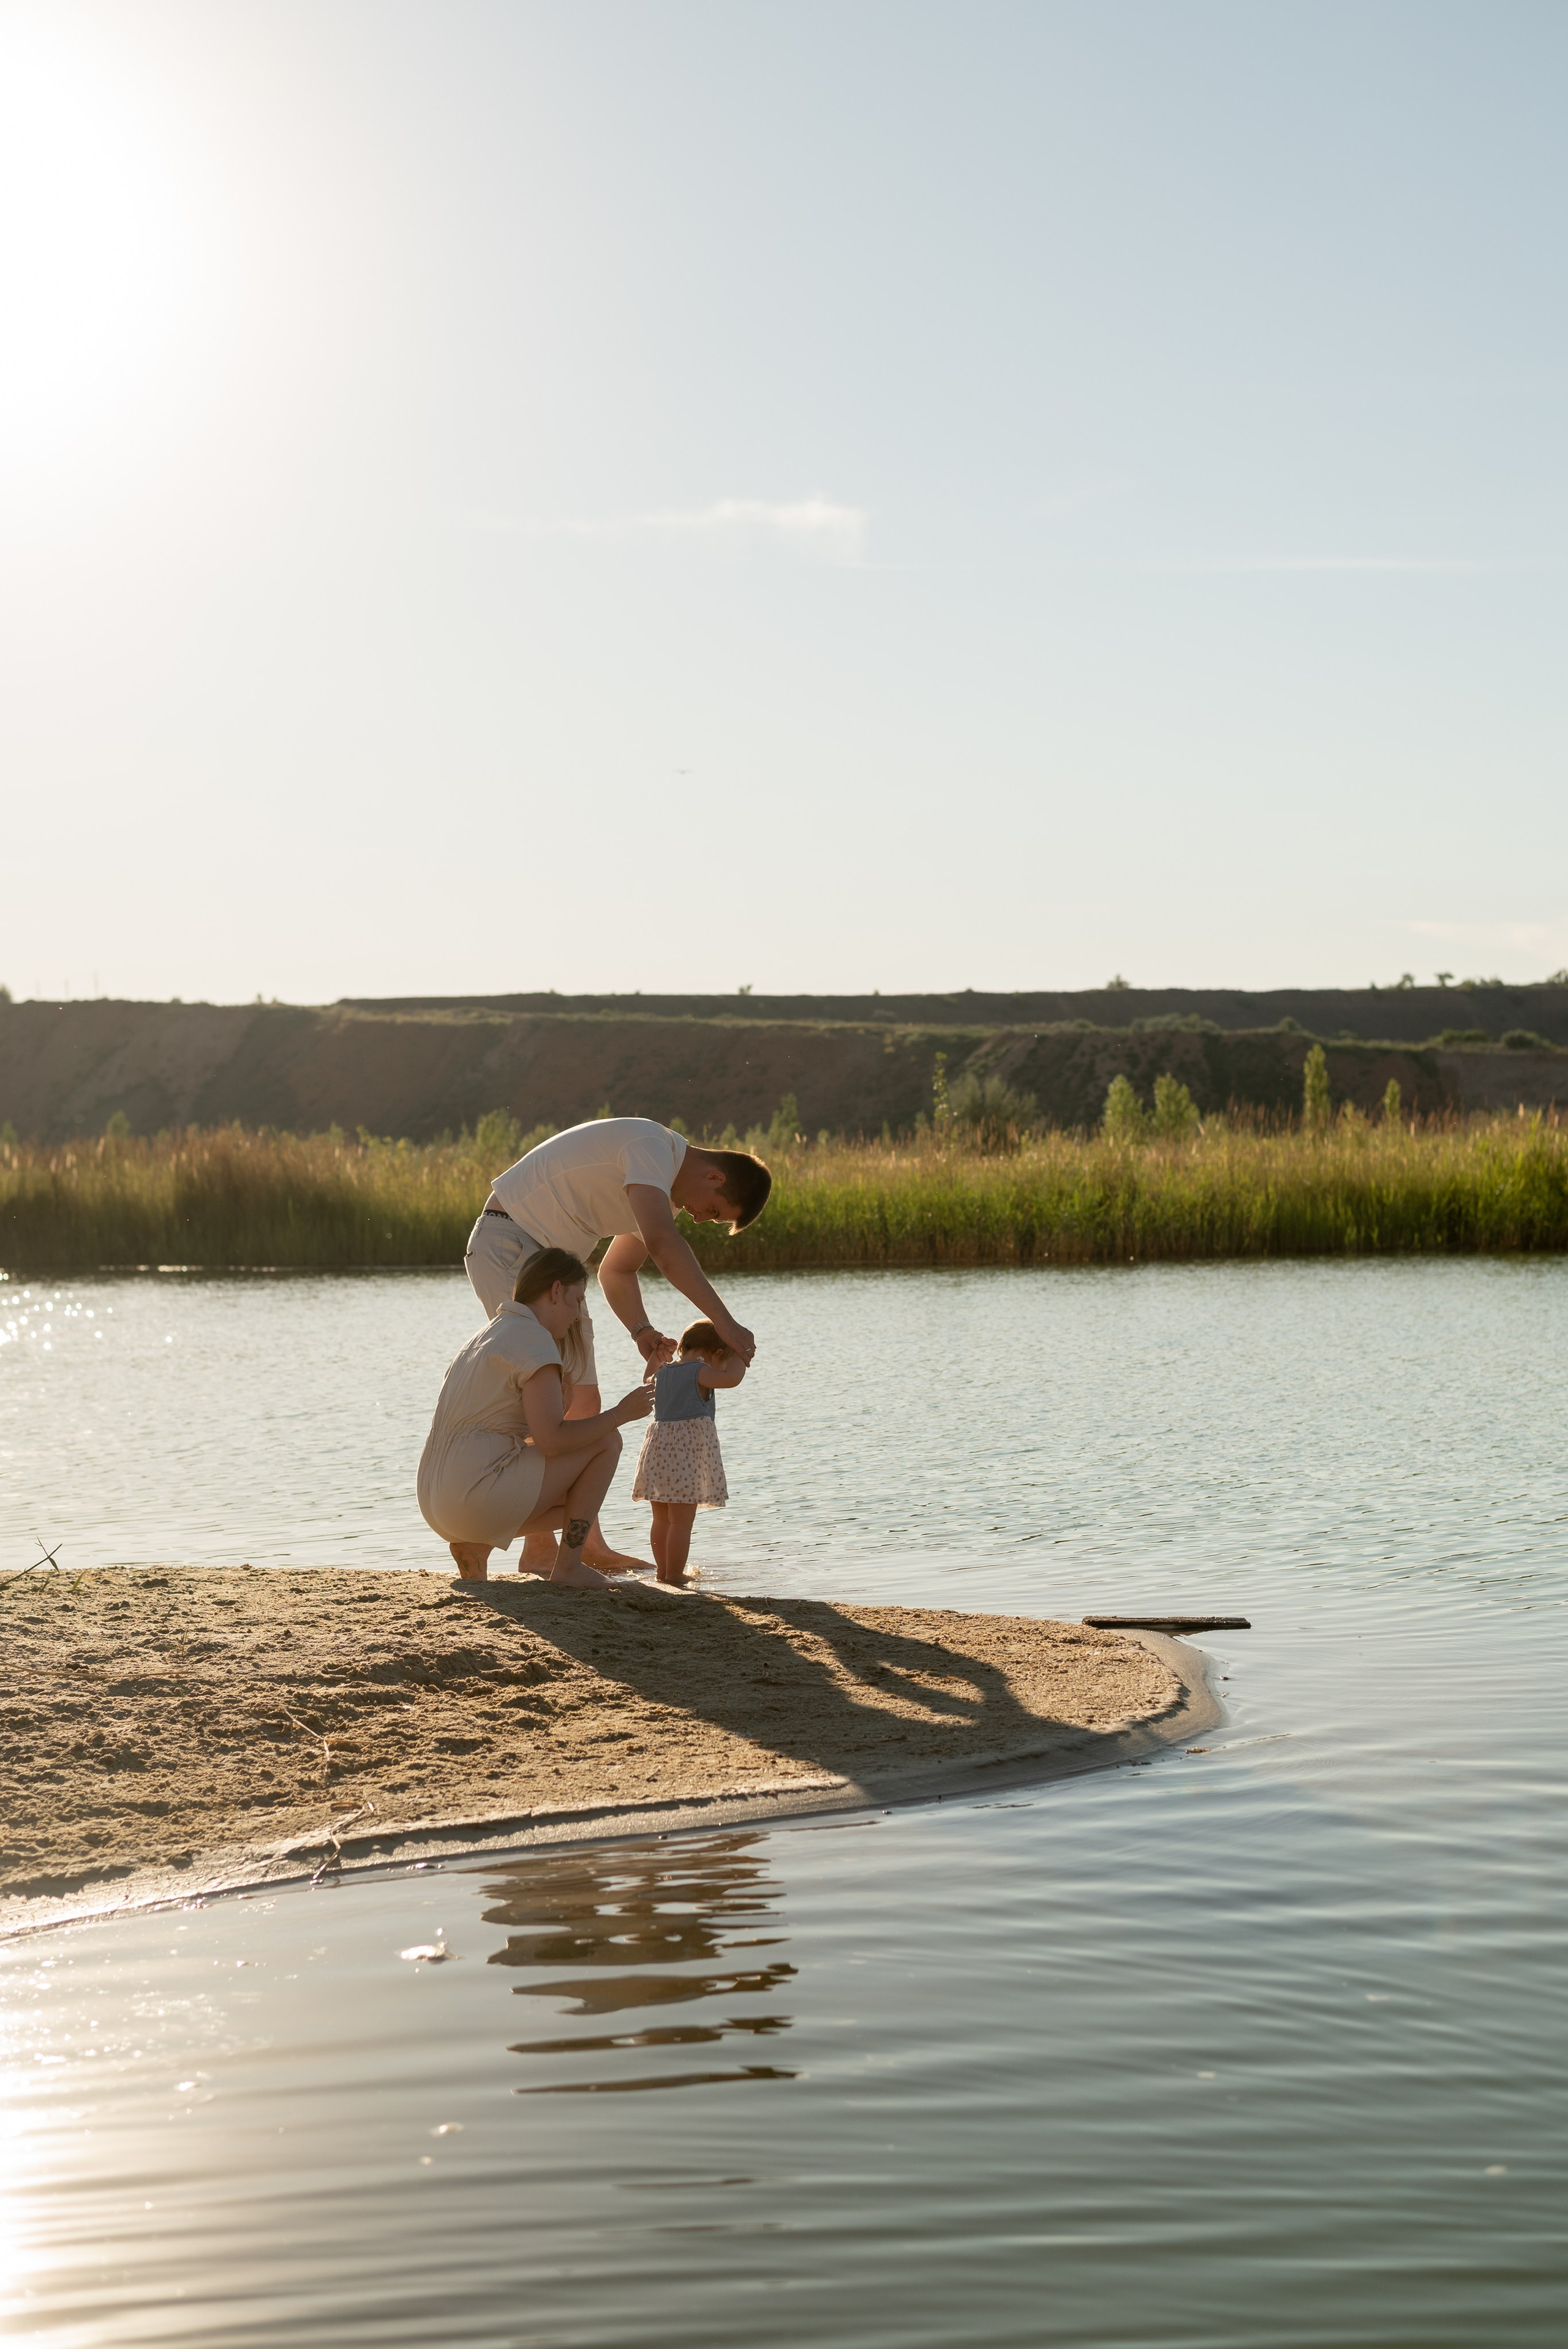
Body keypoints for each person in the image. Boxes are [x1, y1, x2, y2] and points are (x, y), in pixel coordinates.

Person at [463, 1116, 770, 1575]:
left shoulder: (655, 1186)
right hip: (511, 1243)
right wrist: (726, 1324)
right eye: (714, 1210)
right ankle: (537, 1544)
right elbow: (665, 1246)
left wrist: (641, 1329)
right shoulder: (652, 1148)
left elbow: (617, 1270)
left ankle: (580, 1541)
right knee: (549, 1398)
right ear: (715, 1176)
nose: (701, 1218)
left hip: (554, 1266)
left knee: (584, 1401)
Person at [418, 1246, 652, 1588]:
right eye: (577, 1301)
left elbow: (519, 1436)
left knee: (578, 1497)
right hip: (473, 1498)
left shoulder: (486, 1336)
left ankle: (476, 1546)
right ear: (556, 1291)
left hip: (435, 1500)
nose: (576, 1315)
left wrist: (566, 1402)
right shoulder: (535, 1340)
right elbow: (553, 1442)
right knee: (607, 1440)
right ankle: (569, 1566)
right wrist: (621, 1414)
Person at [631, 1319, 747, 1584]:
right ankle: (674, 1575)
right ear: (717, 1354)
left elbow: (646, 1379)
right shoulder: (700, 1371)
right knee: (681, 1521)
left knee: (660, 1517)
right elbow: (731, 1379)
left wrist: (654, 1356)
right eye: (725, 1359)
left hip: (657, 1452)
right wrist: (743, 1351)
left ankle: (662, 1571)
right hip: (686, 1457)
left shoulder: (662, 1372)